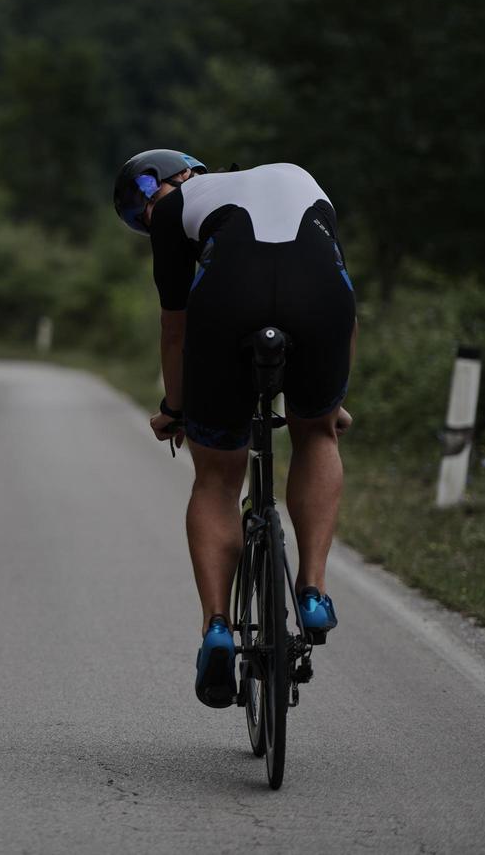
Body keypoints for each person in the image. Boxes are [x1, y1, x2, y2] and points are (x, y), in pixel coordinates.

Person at [112, 150, 356, 708]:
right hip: (318, 300)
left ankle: (218, 627)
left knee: (217, 479)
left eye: (145, 205)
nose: (152, 214)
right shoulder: (301, 176)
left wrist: (176, 409)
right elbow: (345, 301)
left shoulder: (176, 213)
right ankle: (313, 590)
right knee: (316, 434)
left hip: (227, 303)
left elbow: (176, 331)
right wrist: (329, 404)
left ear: (173, 183)